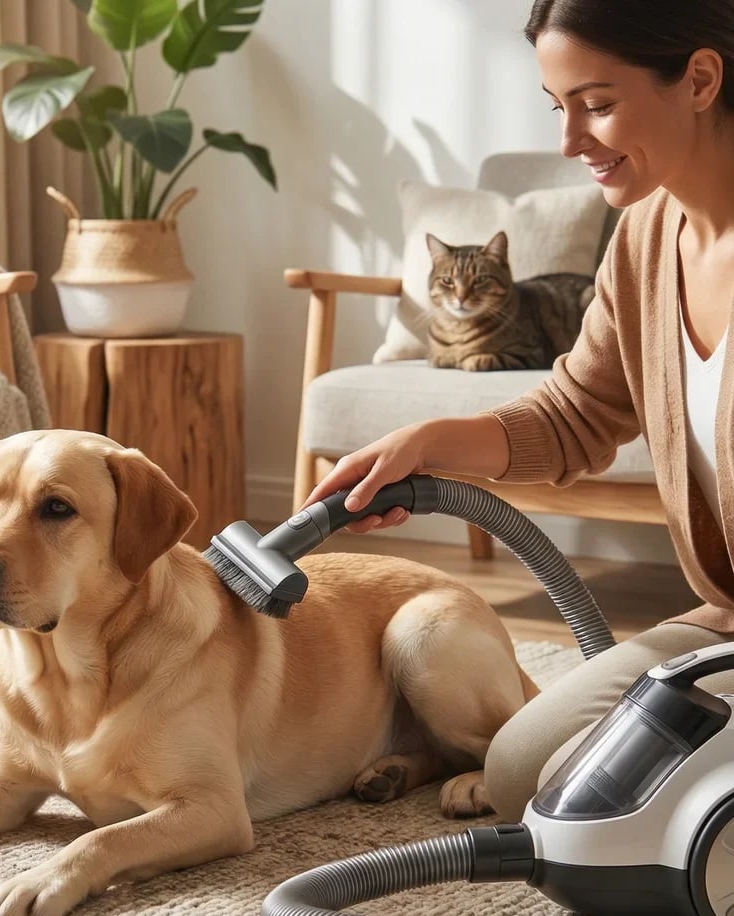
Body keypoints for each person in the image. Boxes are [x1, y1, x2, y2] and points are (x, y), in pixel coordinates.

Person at [303, 0, 734, 820]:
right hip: (726, 627)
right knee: (524, 768)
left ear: (701, 79)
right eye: (558, 107)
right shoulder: (644, 240)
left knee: (636, 808)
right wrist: (425, 443)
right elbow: (575, 412)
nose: (570, 142)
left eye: (598, 105)